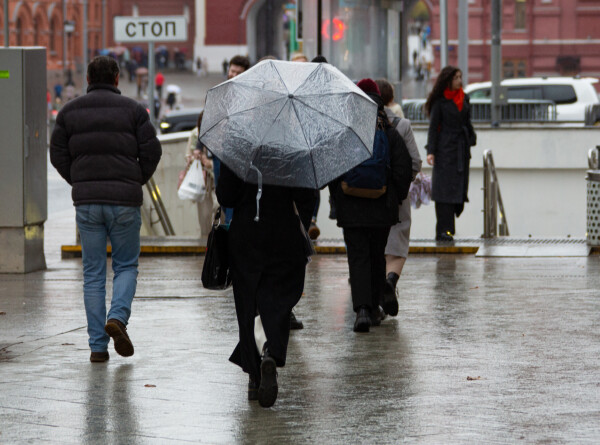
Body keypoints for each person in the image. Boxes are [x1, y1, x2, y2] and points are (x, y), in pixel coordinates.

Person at [50, 56, 162, 363]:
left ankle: (97, 347)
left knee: (94, 274)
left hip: (87, 203)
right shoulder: (135, 111)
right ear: (116, 79)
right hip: (125, 201)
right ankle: (118, 318)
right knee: (126, 265)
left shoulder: (69, 112)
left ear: (87, 79)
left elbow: (57, 152)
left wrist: (79, 179)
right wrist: (136, 179)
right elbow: (153, 150)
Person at [216, 162, 317, 407]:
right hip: (284, 232)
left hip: (246, 232)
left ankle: (254, 377)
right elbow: (308, 195)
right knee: (279, 296)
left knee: (247, 301)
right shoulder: (291, 150)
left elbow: (225, 195)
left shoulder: (239, 150)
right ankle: (271, 351)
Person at [328, 79, 412, 333]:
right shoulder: (389, 131)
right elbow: (403, 170)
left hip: (351, 208)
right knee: (377, 256)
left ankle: (361, 310)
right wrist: (394, 199)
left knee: (358, 257)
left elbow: (332, 169)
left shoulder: (345, 132)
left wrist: (340, 199)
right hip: (381, 208)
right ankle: (375, 307)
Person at [375, 79, 422, 316]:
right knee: (398, 240)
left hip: (367, 196)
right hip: (396, 195)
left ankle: (373, 302)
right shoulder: (401, 124)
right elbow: (415, 161)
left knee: (374, 246)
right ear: (391, 99)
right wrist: (401, 187)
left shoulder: (360, 122)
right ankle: (390, 282)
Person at [425, 66, 476, 242]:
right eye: (456, 78)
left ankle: (449, 229)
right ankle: (444, 231)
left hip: (461, 150)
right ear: (448, 80)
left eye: (460, 77)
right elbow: (433, 128)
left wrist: (470, 137)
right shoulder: (440, 101)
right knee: (444, 193)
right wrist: (431, 151)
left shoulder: (464, 98)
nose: (459, 81)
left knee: (458, 190)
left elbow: (467, 122)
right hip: (445, 150)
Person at [185, 112, 217, 237]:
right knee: (204, 217)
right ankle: (205, 245)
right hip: (202, 182)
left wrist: (210, 163)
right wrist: (195, 158)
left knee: (217, 209)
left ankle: (216, 243)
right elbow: (188, 155)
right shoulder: (195, 134)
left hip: (216, 180)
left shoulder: (218, 134)